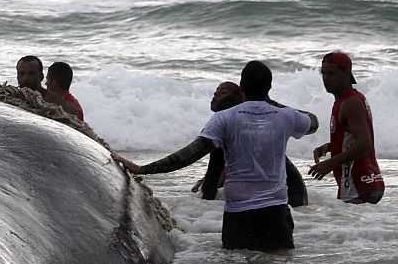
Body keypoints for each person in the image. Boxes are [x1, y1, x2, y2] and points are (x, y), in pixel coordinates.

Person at [113, 61, 319, 252]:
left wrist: (143, 169)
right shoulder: (286, 117)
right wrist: (271, 104)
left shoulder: (224, 118)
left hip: (239, 217)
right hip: (276, 216)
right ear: (269, 88)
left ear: (242, 87)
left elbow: (189, 155)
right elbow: (313, 122)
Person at [194, 82, 309, 207]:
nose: (216, 94)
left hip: (291, 195)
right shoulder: (238, 124)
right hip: (283, 194)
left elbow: (214, 176)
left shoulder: (233, 126)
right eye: (216, 91)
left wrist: (201, 209)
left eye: (223, 93)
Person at [309, 52, 385, 204]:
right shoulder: (347, 100)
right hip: (367, 183)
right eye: (323, 73)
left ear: (346, 73)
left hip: (359, 185)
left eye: (331, 73)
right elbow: (353, 138)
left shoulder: (350, 102)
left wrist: (331, 162)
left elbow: (365, 143)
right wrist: (331, 147)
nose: (325, 78)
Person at [16, 56, 81, 118]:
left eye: (31, 74)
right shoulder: (11, 97)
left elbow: (74, 114)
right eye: (21, 74)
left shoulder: (53, 100)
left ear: (41, 76)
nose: (26, 78)